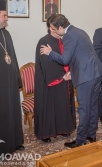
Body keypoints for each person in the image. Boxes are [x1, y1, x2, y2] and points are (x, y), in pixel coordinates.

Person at [40, 14, 102, 148]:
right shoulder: (79, 31)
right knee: (92, 106)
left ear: (61, 27)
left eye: (54, 28)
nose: (54, 31)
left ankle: (80, 140)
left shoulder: (69, 36)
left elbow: (65, 60)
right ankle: (91, 135)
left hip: (86, 76)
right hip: (96, 72)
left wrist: (50, 52)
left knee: (84, 108)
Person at [34, 15, 76, 143]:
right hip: (50, 81)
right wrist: (62, 76)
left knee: (63, 105)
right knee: (50, 107)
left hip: (66, 79)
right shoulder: (43, 42)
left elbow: (70, 57)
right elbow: (46, 64)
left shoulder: (64, 40)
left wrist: (70, 72)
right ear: (51, 28)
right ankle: (47, 133)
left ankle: (64, 129)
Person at [0, 0, 24, 160]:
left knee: (13, 111)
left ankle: (15, 142)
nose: (7, 18)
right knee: (1, 114)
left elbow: (12, 58)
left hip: (10, 84)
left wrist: (17, 79)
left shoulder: (6, 34)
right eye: (4, 15)